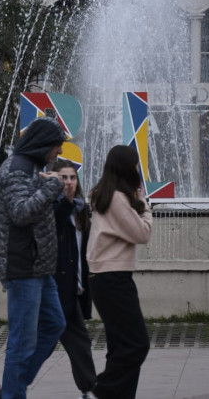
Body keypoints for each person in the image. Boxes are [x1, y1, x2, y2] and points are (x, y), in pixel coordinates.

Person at [0, 116, 67, 399]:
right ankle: (12, 392)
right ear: (43, 144)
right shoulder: (16, 170)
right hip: (22, 266)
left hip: (38, 267)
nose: (58, 153)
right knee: (22, 342)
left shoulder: (31, 168)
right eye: (56, 147)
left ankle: (10, 386)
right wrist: (51, 187)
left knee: (55, 324)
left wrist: (51, 190)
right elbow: (21, 212)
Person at [86, 145, 153, 399]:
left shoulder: (106, 194)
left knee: (121, 346)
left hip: (107, 278)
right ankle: (99, 392)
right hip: (112, 278)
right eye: (136, 164)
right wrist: (144, 205)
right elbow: (142, 233)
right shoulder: (117, 198)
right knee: (137, 344)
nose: (138, 169)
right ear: (127, 167)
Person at [52, 160, 97, 399]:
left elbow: (83, 253)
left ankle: (89, 390)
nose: (69, 182)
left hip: (73, 290)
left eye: (72, 178)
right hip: (55, 291)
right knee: (40, 347)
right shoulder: (50, 207)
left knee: (80, 344)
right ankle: (7, 386)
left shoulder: (82, 210)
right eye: (63, 177)